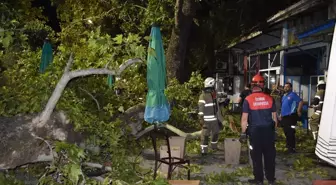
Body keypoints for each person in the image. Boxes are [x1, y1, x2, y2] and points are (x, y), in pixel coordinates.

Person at [240, 74, 278, 185]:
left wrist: (243, 133)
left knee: (256, 157)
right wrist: (273, 131)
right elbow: (275, 119)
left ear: (252, 86)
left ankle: (259, 180)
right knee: (270, 156)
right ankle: (271, 179)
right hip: (268, 132)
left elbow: (244, 119)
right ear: (262, 85)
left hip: (255, 133)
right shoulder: (270, 99)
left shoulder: (248, 99)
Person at [198, 77, 222, 155]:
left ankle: (214, 147)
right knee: (205, 136)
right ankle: (204, 151)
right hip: (206, 121)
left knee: (216, 133)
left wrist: (220, 119)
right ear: (211, 84)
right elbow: (201, 108)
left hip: (214, 119)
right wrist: (201, 119)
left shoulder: (213, 94)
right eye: (214, 84)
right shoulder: (203, 96)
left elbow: (216, 107)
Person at [280, 82, 303, 153]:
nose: (285, 88)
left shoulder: (293, 95)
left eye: (287, 87)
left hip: (291, 116)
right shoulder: (284, 96)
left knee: (290, 132)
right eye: (285, 86)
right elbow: (283, 106)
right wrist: (281, 115)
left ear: (290, 88)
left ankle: (292, 148)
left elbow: (300, 101)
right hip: (284, 117)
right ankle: (288, 146)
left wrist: (298, 111)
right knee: (286, 132)